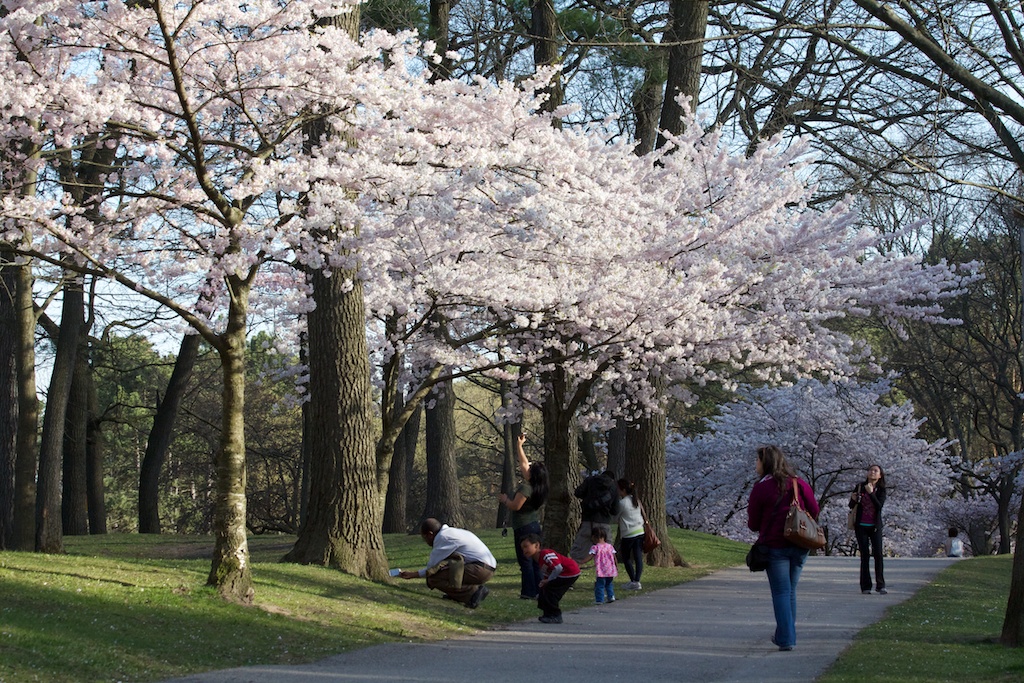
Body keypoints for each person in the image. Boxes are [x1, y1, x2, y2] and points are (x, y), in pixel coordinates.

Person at [748, 445, 820, 652]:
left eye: (758, 460)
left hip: (774, 546)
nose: (756, 464)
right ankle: (784, 634)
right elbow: (814, 510)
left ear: (766, 463)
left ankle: (787, 638)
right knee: (790, 591)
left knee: (781, 592)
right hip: (799, 545)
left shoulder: (761, 488)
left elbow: (753, 524)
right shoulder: (799, 484)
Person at [396, 518, 496, 609]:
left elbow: (431, 568)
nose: (426, 542)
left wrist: (413, 575)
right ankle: (456, 595)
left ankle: (473, 593)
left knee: (433, 579)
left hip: (480, 569)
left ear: (430, 534)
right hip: (487, 566)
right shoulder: (451, 532)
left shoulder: (443, 538)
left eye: (425, 538)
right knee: (446, 569)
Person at [497, 433, 549, 599]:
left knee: (525, 560)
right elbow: (524, 463)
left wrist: (505, 500)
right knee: (535, 559)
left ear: (532, 475)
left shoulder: (527, 488)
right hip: (534, 524)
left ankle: (528, 592)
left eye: (530, 469)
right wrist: (519, 445)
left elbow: (516, 506)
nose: (526, 468)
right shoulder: (540, 486)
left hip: (524, 527)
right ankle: (539, 590)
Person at [520, 533, 581, 624]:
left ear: (537, 545)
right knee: (544, 590)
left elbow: (558, 568)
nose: (524, 550)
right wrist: (545, 582)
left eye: (526, 546)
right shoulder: (538, 560)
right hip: (561, 574)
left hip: (569, 571)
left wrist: (548, 581)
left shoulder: (545, 554)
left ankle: (555, 615)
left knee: (551, 592)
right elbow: (548, 571)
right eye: (522, 548)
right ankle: (548, 614)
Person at [849, 464, 887, 595]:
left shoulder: (881, 490)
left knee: (878, 555)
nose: (872, 472)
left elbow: (879, 506)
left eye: (876, 471)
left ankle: (880, 585)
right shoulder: (860, 487)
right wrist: (853, 500)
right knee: (864, 555)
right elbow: (851, 505)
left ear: (880, 475)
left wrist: (871, 493)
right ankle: (866, 586)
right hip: (861, 526)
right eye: (871, 470)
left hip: (875, 526)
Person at [570, 469, 619, 560]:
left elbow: (578, 493)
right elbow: (615, 511)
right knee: (608, 554)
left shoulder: (590, 481)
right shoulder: (613, 487)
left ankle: (574, 569)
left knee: (578, 552)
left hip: (588, 521)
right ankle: (607, 571)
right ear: (612, 479)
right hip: (604, 523)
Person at [616, 478, 646, 590]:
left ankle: (633, 580)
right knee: (638, 557)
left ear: (623, 489)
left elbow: (615, 517)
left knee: (626, 557)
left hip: (628, 533)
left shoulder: (622, 503)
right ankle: (637, 580)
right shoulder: (636, 500)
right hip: (639, 530)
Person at [581, 526, 617, 604]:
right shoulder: (610, 546)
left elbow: (590, 557)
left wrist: (582, 562)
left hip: (601, 570)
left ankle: (599, 600)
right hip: (610, 569)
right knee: (609, 584)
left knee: (599, 585)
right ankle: (611, 596)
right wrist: (615, 566)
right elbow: (614, 558)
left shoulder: (595, 547)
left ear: (594, 537)